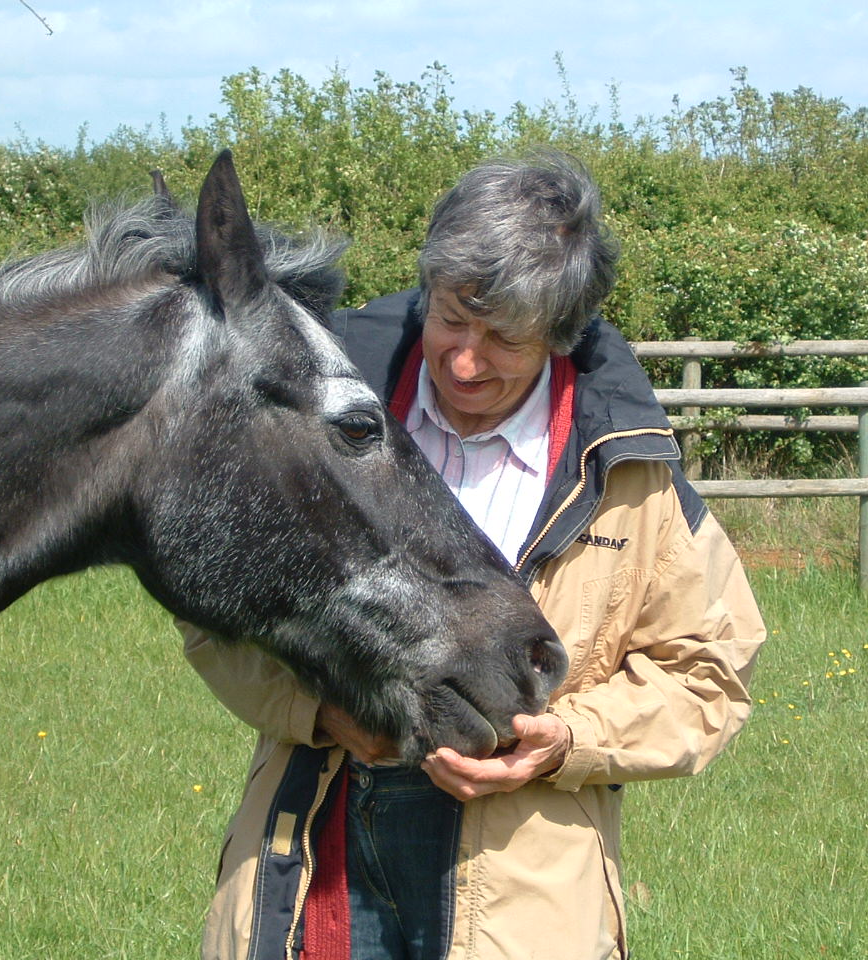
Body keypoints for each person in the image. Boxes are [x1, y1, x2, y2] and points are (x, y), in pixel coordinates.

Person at [181, 150, 766, 960]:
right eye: (452, 317)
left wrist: (568, 740)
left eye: (505, 340)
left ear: (562, 337)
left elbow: (709, 670)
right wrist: (324, 712)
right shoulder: (317, 416)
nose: (463, 360)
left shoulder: (628, 471)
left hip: (527, 901)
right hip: (318, 857)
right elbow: (212, 613)